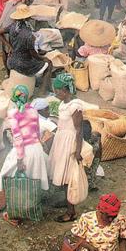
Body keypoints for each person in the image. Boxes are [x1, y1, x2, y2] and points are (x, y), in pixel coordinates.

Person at [0, 85, 49, 196]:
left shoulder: (13, 114)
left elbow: (18, 139)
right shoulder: (34, 111)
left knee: (7, 176)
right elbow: (37, 130)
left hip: (24, 151)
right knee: (34, 180)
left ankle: (16, 201)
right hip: (36, 149)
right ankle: (33, 203)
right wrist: (41, 143)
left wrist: (20, 160)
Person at [48, 73, 86, 223]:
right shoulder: (63, 104)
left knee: (69, 178)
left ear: (65, 90)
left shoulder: (75, 106)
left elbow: (79, 130)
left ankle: (71, 212)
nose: (56, 93)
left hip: (70, 143)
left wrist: (77, 151)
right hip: (61, 140)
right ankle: (68, 203)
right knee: (63, 175)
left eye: (57, 90)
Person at [0, 4, 52, 93]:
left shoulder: (13, 26)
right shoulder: (28, 35)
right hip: (23, 64)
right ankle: (42, 91)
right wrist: (43, 58)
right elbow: (33, 54)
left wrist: (9, 46)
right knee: (49, 63)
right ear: (27, 17)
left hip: (11, 61)